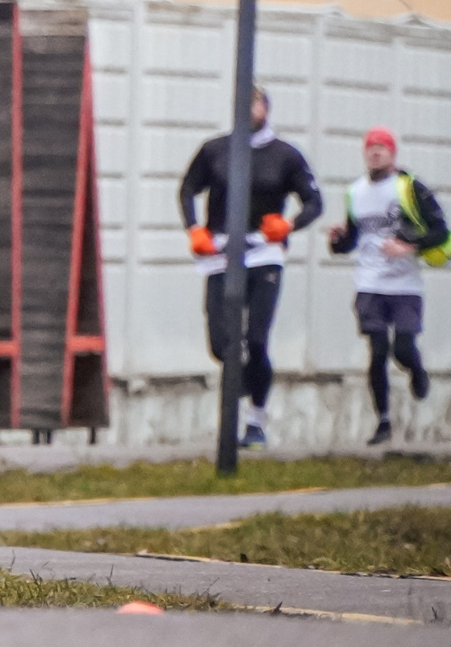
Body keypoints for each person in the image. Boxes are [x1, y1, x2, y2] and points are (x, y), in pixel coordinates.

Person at [177, 84, 323, 448]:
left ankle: (255, 420)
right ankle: (241, 387)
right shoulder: (216, 150)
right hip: (222, 251)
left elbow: (314, 200)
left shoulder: (285, 155)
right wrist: (194, 228)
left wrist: (289, 225)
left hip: (263, 252)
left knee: (256, 339)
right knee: (222, 343)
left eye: (253, 103)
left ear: (266, 108)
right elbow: (187, 188)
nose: (246, 109)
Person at [327, 127, 443, 445]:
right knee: (377, 351)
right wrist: (337, 240)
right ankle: (383, 421)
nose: (375, 152)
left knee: (402, 347)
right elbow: (352, 240)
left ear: (393, 154)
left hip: (405, 285)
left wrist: (409, 247)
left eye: (382, 147)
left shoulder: (409, 188)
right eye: (371, 148)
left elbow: (440, 230)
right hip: (369, 282)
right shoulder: (356, 192)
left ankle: (416, 371)